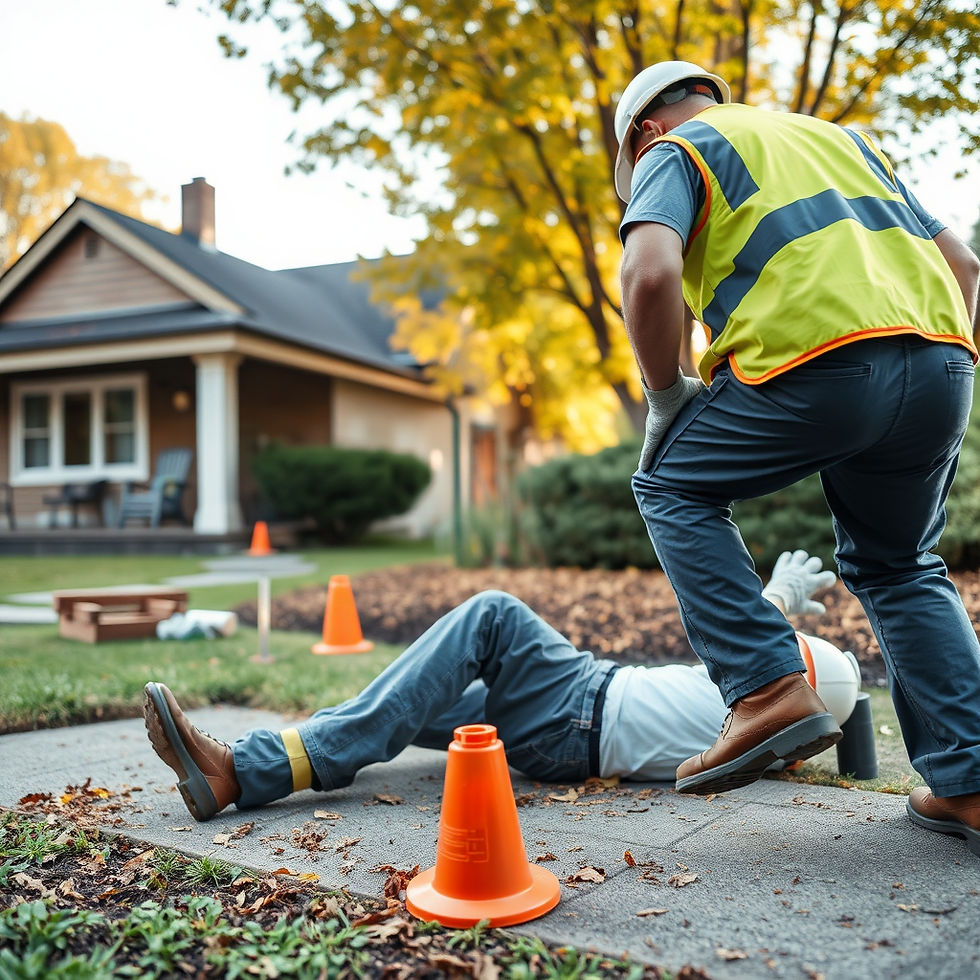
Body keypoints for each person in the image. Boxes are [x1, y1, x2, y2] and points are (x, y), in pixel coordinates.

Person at [614, 61, 980, 855]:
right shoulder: (844, 142)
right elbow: (964, 266)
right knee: (900, 563)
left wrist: (666, 393)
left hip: (818, 365)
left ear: (647, 127)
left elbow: (649, 273)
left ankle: (766, 688)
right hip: (943, 360)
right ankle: (970, 782)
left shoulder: (676, 150)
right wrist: (935, 364)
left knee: (669, 484)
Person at [143, 550, 850, 822]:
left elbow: (742, 637)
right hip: (564, 738)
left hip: (579, 705)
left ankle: (244, 770)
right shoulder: (767, 732)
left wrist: (775, 594)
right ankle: (254, 766)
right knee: (410, 694)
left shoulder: (771, 701)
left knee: (492, 615)